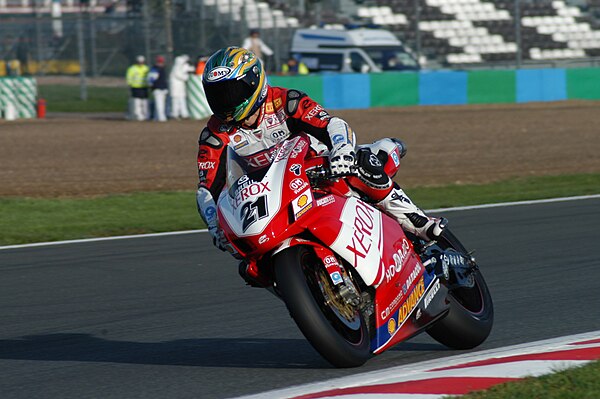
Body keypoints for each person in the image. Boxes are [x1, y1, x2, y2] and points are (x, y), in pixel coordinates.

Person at [196, 47, 445, 281]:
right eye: (217, 94)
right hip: (270, 195)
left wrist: (343, 151)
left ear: (254, 83)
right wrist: (214, 225)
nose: (225, 102)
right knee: (251, 268)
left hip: (316, 169)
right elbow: (207, 189)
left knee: (362, 164)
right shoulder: (215, 133)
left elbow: (331, 124)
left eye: (231, 92)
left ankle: (418, 222)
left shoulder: (285, 101)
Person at [126, 55, 150, 121]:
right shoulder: (132, 68)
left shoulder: (146, 68)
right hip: (135, 87)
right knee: (137, 103)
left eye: (142, 62)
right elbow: (129, 78)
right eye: (139, 62)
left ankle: (146, 115)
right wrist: (129, 85)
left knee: (145, 102)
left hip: (144, 87)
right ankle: (138, 115)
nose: (141, 63)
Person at [169, 54, 193, 119]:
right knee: (175, 101)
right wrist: (187, 77)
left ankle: (184, 114)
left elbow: (188, 69)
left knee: (182, 100)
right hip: (176, 88)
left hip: (181, 87)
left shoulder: (181, 67)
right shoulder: (176, 68)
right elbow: (180, 75)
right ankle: (175, 114)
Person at [148, 55, 168, 122]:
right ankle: (161, 118)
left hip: (163, 89)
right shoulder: (155, 69)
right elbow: (151, 80)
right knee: (159, 104)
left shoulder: (161, 69)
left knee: (161, 104)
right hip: (157, 89)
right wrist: (152, 87)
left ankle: (156, 117)